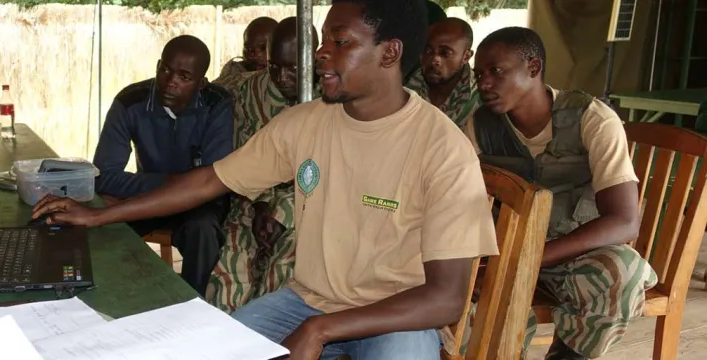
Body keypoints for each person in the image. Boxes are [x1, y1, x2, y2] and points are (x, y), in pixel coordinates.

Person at [33, 0, 499, 358]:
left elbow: (444, 301)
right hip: (308, 300)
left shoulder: (441, 149)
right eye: (326, 40)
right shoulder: (305, 123)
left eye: (341, 42)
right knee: (216, 349)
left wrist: (323, 329)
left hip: (399, 315)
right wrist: (102, 215)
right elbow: (210, 180)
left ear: (389, 53)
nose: (321, 52)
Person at [464, 27, 657, 360]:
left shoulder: (592, 119)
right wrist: (484, 263)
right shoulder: (479, 126)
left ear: (534, 68)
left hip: (575, 255)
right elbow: (457, 203)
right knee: (459, 291)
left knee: (624, 271)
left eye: (496, 71)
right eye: (479, 74)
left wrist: (532, 260)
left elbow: (624, 222)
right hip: (504, 257)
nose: (484, 84)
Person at [91, 34, 234, 295]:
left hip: (198, 205)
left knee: (203, 230)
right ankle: (112, 297)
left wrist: (179, 186)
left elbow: (214, 180)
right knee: (101, 222)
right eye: (165, 70)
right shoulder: (130, 102)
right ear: (157, 66)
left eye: (184, 77)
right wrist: (169, 183)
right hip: (149, 200)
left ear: (201, 83)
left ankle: (192, 304)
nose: (170, 83)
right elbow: (103, 175)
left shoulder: (217, 104)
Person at [206, 16, 319, 314]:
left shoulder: (333, 101)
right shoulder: (247, 92)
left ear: (315, 58)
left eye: (293, 68)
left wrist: (281, 211)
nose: (282, 78)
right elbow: (241, 160)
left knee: (287, 268)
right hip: (249, 203)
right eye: (274, 67)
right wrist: (260, 205)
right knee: (231, 262)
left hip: (309, 214)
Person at [405, 17, 479, 127]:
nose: (434, 60)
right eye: (428, 50)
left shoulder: (479, 101)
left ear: (466, 57)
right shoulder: (405, 87)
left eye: (445, 53)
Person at [212, 17, 279, 83]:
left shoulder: (284, 80)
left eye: (263, 48)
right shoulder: (232, 75)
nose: (254, 55)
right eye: (248, 49)